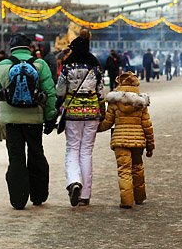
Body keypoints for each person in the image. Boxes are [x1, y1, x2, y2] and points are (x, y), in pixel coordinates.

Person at [0, 33, 56, 209]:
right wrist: (49, 117)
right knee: (36, 155)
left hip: (11, 121)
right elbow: (49, 94)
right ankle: (38, 195)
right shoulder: (40, 65)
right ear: (29, 47)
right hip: (34, 120)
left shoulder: (2, 65)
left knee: (16, 158)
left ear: (12, 47)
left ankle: (18, 199)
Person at [55, 29, 104, 207]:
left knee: (72, 149)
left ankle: (74, 182)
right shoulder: (94, 64)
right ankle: (85, 195)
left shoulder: (68, 64)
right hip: (92, 114)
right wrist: (101, 109)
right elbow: (100, 91)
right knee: (86, 152)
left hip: (73, 114)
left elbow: (60, 91)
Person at [97, 72, 154, 208]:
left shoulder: (114, 101)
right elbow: (147, 125)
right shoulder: (141, 102)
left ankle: (127, 201)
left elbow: (108, 122)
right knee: (137, 168)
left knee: (124, 170)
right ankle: (139, 197)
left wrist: (95, 128)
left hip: (120, 140)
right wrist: (150, 145)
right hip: (138, 140)